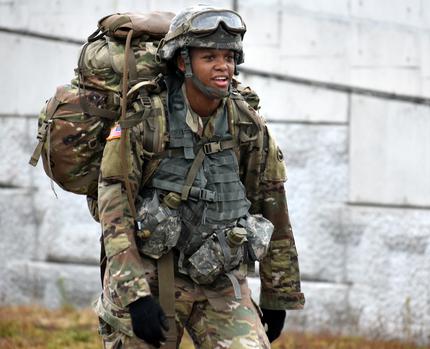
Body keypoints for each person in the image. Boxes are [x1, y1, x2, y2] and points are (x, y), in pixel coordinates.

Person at [93, 5, 305, 349]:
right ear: (183, 63)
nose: (224, 66)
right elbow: (115, 208)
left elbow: (272, 202)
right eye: (209, 57)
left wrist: (277, 292)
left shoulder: (246, 123)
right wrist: (134, 295)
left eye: (229, 57)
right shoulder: (145, 119)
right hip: (151, 273)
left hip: (220, 277)